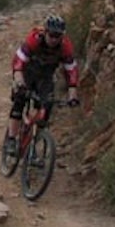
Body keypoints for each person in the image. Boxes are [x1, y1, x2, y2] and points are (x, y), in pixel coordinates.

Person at [5, 13, 80, 152]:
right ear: (45, 32)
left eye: (57, 36)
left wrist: (73, 94)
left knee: (46, 108)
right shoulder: (34, 40)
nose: (53, 39)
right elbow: (18, 62)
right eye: (51, 35)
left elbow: (71, 71)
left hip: (45, 77)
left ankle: (35, 143)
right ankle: (11, 139)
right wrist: (19, 81)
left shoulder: (65, 47)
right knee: (19, 102)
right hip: (27, 72)